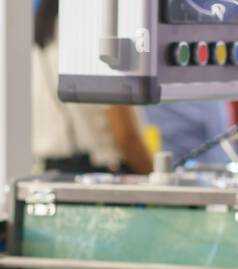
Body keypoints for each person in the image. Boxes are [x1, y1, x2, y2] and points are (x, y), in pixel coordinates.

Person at [30, 0, 153, 175]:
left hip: (50, 175)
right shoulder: (100, 42)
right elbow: (126, 137)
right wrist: (156, 176)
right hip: (102, 177)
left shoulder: (39, 44)